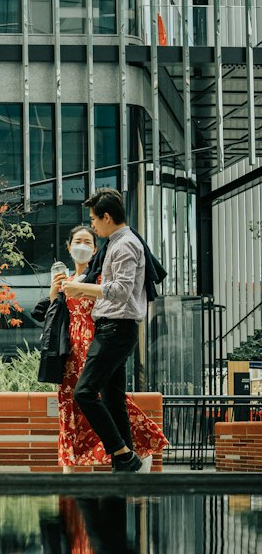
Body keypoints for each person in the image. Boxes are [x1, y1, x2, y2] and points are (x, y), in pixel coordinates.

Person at [36, 222, 167, 472]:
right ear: (68, 247)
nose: (82, 247)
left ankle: (136, 451)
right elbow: (56, 322)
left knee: (110, 401)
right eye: (78, 242)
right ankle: (71, 467)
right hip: (70, 352)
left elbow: (115, 300)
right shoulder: (66, 281)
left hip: (97, 344)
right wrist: (55, 295)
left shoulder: (99, 280)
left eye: (88, 242)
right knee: (70, 406)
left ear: (96, 250)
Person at [59, 189, 160, 475]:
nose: (92, 225)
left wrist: (80, 289)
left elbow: (120, 291)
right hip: (113, 328)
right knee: (113, 399)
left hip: (116, 329)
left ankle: (122, 454)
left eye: (93, 219)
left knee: (85, 393)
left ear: (106, 217)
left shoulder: (124, 245)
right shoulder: (117, 243)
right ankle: (123, 462)